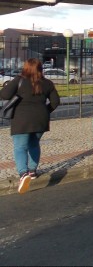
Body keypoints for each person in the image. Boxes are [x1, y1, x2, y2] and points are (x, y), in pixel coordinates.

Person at [0, 58, 60, 194]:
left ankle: (23, 173)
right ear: (40, 68)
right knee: (34, 144)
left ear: (25, 68)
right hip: (41, 119)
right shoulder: (47, 83)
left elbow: (4, 95)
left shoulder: (19, 80)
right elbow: (56, 102)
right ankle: (32, 171)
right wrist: (45, 110)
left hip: (21, 119)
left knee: (20, 147)